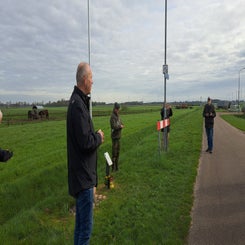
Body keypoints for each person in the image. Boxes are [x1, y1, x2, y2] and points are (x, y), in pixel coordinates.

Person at [67, 62, 104, 245]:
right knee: (85, 231)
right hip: (84, 178)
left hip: (81, 176)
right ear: (84, 80)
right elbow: (85, 143)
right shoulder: (78, 106)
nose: (92, 81)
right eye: (91, 77)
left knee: (80, 228)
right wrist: (98, 137)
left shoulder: (77, 102)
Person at [110, 102, 124, 171]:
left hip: (118, 137)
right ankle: (113, 168)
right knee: (114, 153)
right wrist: (120, 126)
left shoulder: (118, 115)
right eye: (117, 109)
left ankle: (117, 167)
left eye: (119, 109)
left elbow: (121, 122)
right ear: (115, 109)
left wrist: (122, 125)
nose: (118, 110)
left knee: (118, 152)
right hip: (115, 138)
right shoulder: (112, 116)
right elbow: (114, 126)